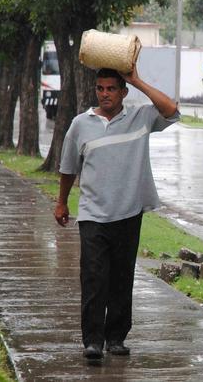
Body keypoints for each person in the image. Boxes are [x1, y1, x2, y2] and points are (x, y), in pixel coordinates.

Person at [55, 67, 179, 360]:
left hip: (128, 211)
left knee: (122, 279)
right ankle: (93, 341)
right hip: (92, 214)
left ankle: (116, 338)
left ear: (123, 92)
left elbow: (171, 110)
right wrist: (61, 202)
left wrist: (136, 80)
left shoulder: (140, 117)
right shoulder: (80, 124)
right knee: (94, 278)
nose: (105, 94)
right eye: (100, 88)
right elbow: (68, 167)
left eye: (112, 88)